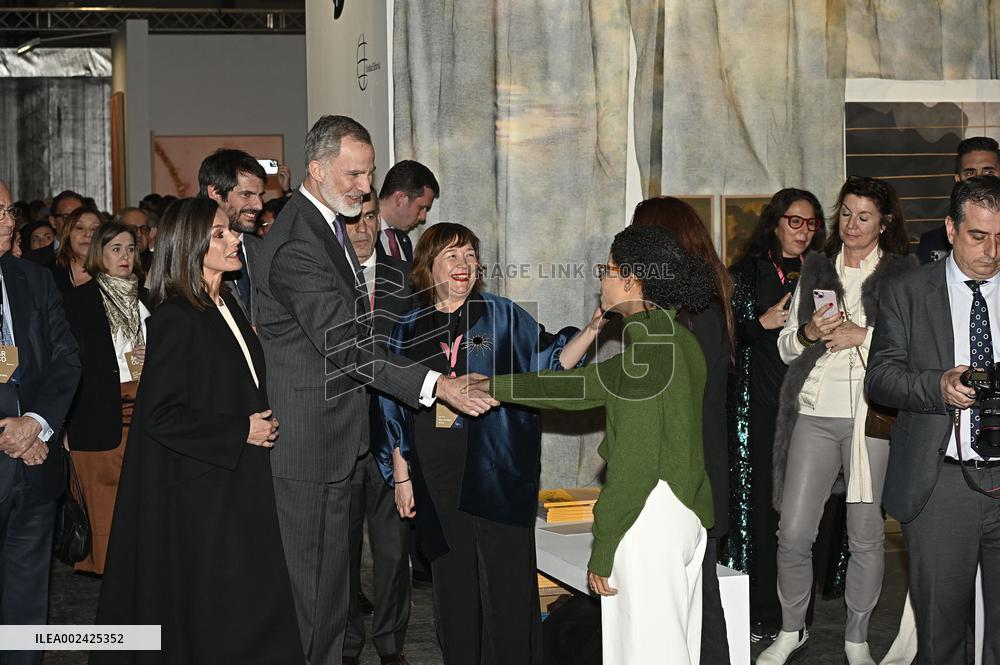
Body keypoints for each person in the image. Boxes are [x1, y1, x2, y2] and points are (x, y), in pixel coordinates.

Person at [251, 115, 495, 665]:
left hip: (336, 439)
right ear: (316, 170)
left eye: (369, 174)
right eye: (355, 175)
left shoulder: (323, 227)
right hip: (310, 445)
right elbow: (347, 344)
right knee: (314, 602)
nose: (367, 188)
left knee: (332, 598)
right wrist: (437, 385)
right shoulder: (297, 243)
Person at [483, 223, 715, 664]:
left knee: (646, 654)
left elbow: (636, 461)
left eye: (607, 270)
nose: (601, 280)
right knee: (674, 647)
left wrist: (604, 545)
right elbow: (580, 387)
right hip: (684, 516)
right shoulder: (677, 341)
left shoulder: (645, 356)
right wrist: (493, 385)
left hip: (649, 518)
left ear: (631, 280)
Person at [377, 221, 599, 665]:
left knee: (507, 583)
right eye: (452, 256)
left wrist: (593, 329)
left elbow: (550, 362)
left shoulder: (502, 316)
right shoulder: (407, 325)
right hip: (436, 470)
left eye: (470, 255)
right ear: (430, 266)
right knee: (453, 581)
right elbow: (389, 403)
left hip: (498, 466)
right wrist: (401, 476)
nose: (464, 265)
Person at [93, 197, 303, 664]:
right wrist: (239, 430)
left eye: (232, 231)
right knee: (219, 613)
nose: (234, 239)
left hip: (238, 479)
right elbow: (160, 415)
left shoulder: (228, 300)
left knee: (250, 607)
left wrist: (256, 421)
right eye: (220, 234)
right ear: (190, 246)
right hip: (203, 492)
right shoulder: (175, 317)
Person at [757, 176, 916, 665]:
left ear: (884, 222)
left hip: (871, 419)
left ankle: (856, 638)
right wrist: (806, 331)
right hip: (814, 412)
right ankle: (791, 630)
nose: (851, 224)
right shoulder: (816, 269)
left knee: (865, 534)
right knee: (793, 532)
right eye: (845, 213)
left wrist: (861, 335)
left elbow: (914, 348)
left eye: (863, 216)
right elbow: (786, 348)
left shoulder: (903, 274)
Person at [867, 175, 1000, 665]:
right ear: (950, 229)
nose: (991, 250)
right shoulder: (907, 291)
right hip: (941, 483)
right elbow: (880, 378)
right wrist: (936, 385)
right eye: (978, 236)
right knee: (941, 638)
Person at [631, 196, 734, 664]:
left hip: (689, 477)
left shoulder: (687, 319)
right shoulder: (700, 308)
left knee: (699, 609)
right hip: (699, 471)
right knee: (693, 605)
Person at [723, 187, 826, 641]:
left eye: (811, 223)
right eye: (794, 221)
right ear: (775, 222)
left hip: (812, 406)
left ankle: (797, 610)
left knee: (806, 512)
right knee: (762, 508)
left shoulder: (824, 272)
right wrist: (757, 324)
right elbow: (719, 342)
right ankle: (761, 609)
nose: (803, 231)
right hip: (758, 406)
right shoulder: (745, 273)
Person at [0, 180, 81, 665]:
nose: (9, 221)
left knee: (28, 603)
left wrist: (35, 423)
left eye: (10, 210)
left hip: (35, 463)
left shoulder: (31, 277)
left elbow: (67, 359)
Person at [343, 190, 415, 665]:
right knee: (340, 555)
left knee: (393, 554)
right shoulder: (319, 279)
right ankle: (346, 643)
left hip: (392, 437)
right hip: (338, 435)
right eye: (354, 221)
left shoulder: (405, 279)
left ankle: (390, 644)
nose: (364, 228)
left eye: (370, 218)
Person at [62, 221, 149, 575]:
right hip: (97, 414)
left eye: (130, 249)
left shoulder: (147, 299)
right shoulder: (79, 302)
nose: (125, 256)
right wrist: (63, 423)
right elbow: (67, 367)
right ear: (100, 253)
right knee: (102, 513)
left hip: (144, 412)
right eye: (116, 249)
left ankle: (135, 575)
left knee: (140, 505)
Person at [199, 149, 268, 323]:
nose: (258, 205)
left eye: (260, 195)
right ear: (215, 192)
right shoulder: (187, 252)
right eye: (246, 195)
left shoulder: (263, 250)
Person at [918, 136, 1000, 264]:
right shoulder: (932, 243)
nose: (979, 180)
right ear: (957, 180)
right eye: (970, 174)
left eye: (989, 172)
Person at [376, 160, 439, 262]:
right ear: (400, 198)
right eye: (421, 207)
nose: (423, 217)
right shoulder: (362, 234)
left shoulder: (404, 242)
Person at [50, 205, 101, 292]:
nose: (87, 234)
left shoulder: (114, 275)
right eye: (79, 228)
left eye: (94, 229)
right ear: (68, 234)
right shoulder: (48, 273)